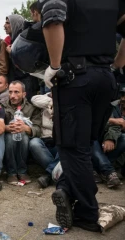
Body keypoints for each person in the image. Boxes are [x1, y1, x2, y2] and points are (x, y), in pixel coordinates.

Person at [38, 0, 124, 232]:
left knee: (73, 147)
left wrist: (55, 65)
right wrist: (117, 64)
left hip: (76, 78)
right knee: (84, 144)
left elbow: (53, 17)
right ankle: (66, 189)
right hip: (105, 77)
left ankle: (87, 212)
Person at [2, 81, 41, 184]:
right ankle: (12, 173)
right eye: (10, 92)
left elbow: (38, 128)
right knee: (11, 137)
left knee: (22, 136)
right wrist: (7, 127)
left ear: (24, 94)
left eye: (16, 92)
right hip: (7, 136)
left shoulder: (32, 108)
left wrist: (26, 128)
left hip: (25, 137)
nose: (12, 96)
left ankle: (22, 171)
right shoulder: (2, 106)